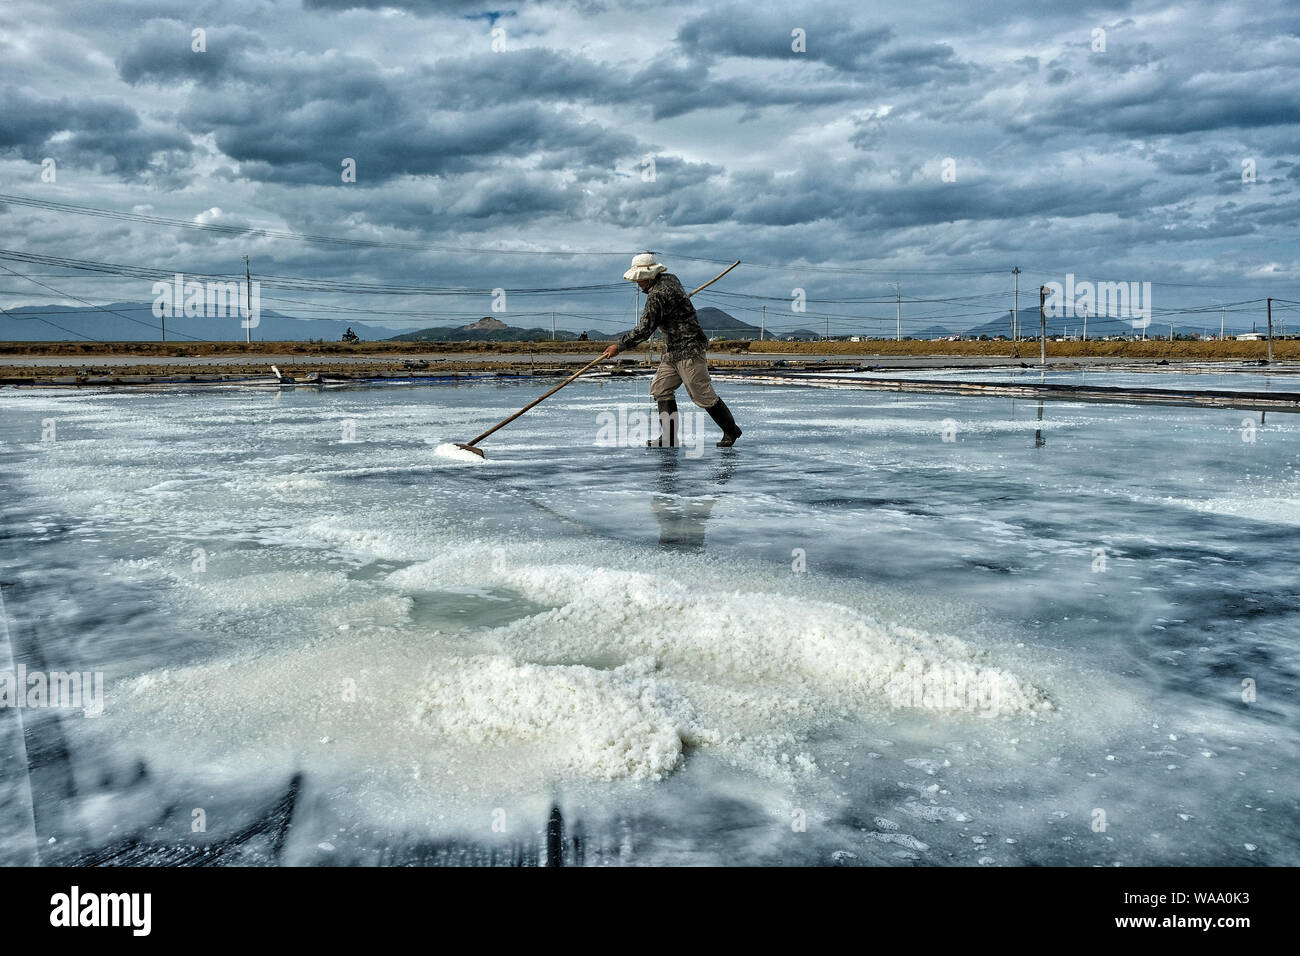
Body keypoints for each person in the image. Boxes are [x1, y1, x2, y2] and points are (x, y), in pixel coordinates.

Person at [601, 253, 742, 447]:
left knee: (701, 393)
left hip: (689, 348)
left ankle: (731, 430)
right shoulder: (671, 279)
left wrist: (619, 346)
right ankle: (668, 438)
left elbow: (644, 330)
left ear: (649, 275)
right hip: (672, 351)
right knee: (661, 388)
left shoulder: (657, 295)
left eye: (640, 279)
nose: (638, 283)